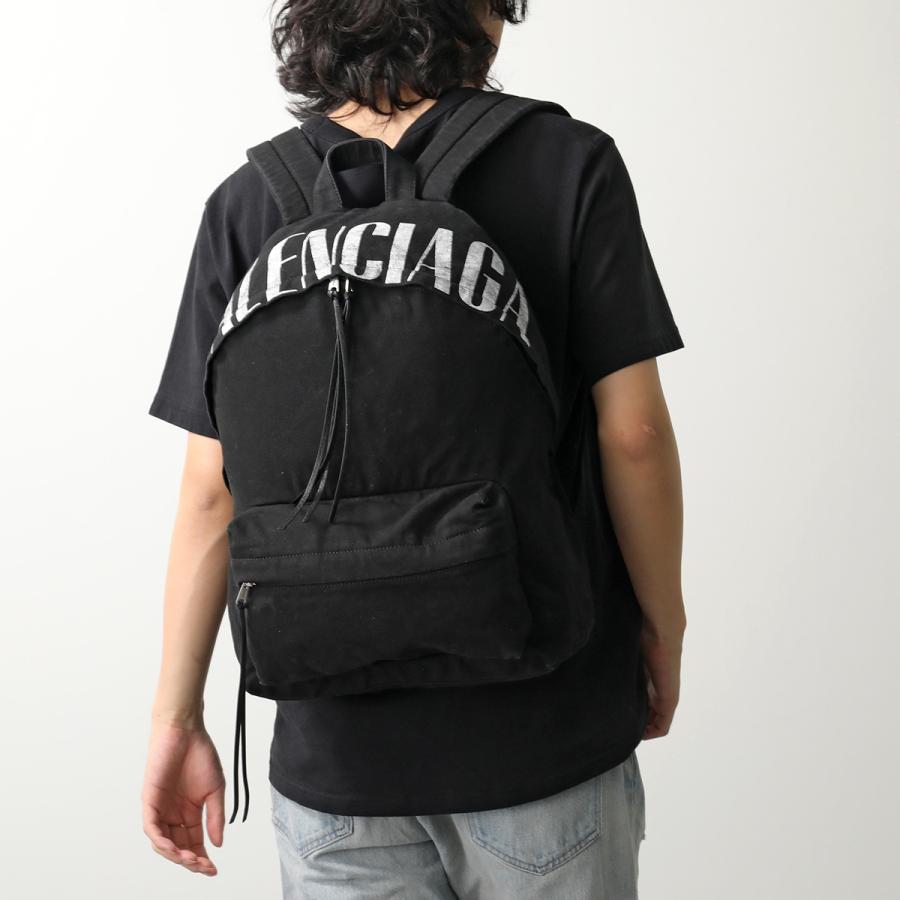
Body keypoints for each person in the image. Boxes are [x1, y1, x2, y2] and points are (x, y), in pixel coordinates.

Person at [141, 1, 687, 896]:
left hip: (334, 764)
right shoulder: (567, 162)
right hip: (542, 734)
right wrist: (664, 626)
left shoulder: (248, 202)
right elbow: (634, 434)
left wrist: (175, 717)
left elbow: (211, 491)